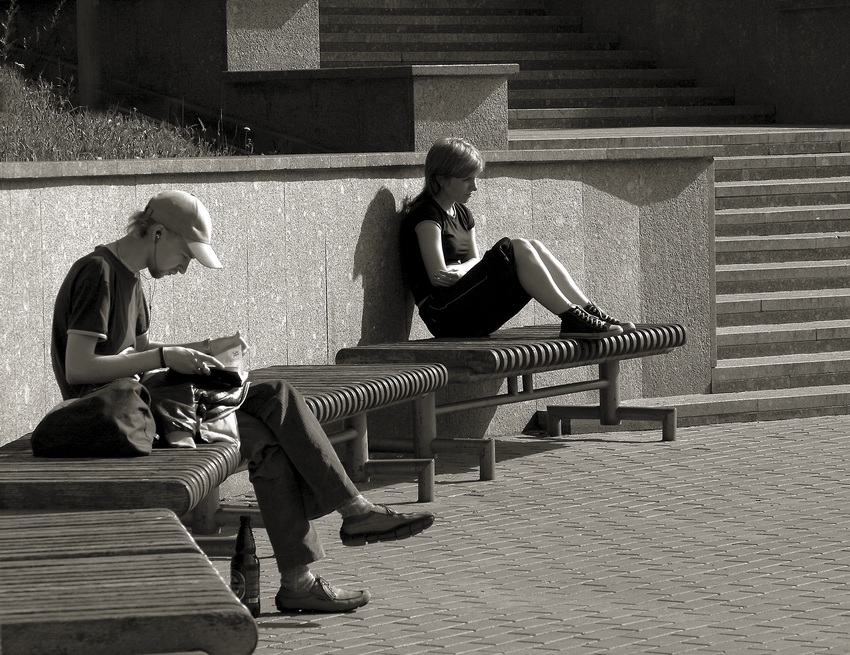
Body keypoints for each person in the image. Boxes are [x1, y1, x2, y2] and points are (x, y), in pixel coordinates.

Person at [50, 189, 434, 613]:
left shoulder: (132, 279)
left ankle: (326, 544)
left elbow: (138, 355)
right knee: (270, 430)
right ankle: (328, 541)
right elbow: (78, 368)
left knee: (274, 398)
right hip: (114, 420)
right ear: (157, 233)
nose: (185, 267)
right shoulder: (99, 273)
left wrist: (205, 349)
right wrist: (165, 357)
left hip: (143, 406)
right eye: (186, 255)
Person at [400, 137, 636, 339]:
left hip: (467, 304)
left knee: (534, 247)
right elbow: (438, 276)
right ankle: (572, 318)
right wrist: (467, 268)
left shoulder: (463, 213)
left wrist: (462, 270)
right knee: (518, 247)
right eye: (466, 179)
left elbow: (473, 261)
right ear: (440, 178)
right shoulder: (426, 215)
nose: (474, 187)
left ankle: (587, 311)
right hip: (445, 315)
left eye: (475, 178)